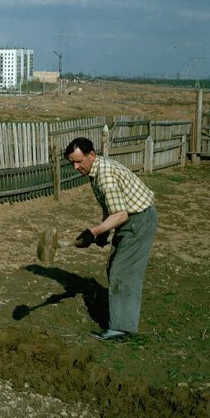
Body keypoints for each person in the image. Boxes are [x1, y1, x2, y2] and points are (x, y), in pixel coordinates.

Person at [64, 137, 158, 342]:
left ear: (92, 155)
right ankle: (123, 317)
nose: (75, 167)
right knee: (115, 267)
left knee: (122, 270)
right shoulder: (95, 171)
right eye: (72, 162)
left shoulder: (104, 174)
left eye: (79, 161)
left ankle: (121, 329)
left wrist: (93, 231)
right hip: (129, 219)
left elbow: (121, 214)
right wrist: (103, 233)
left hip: (138, 220)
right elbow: (110, 206)